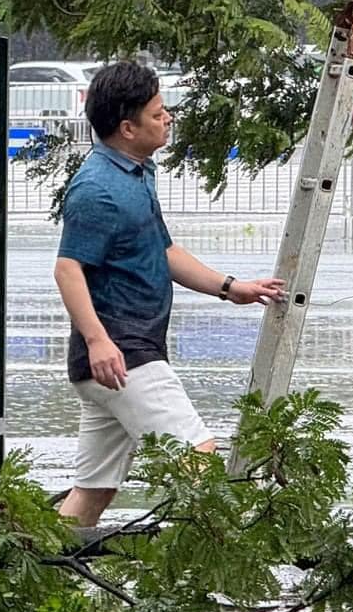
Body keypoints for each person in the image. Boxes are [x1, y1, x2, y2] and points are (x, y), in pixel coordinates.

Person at [53, 60, 285, 527]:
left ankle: (30, 582)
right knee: (201, 464)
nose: (169, 119)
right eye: (158, 114)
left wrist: (229, 287)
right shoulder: (96, 188)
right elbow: (67, 269)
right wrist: (100, 342)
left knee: (92, 492)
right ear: (127, 127)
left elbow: (164, 250)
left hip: (116, 362)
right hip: (124, 355)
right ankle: (212, 584)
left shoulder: (137, 172)